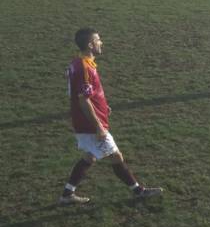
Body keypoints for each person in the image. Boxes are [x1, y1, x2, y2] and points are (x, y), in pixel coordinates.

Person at [59, 29, 163, 205]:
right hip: (90, 123)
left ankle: (67, 194)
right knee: (115, 156)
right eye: (98, 40)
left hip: (84, 120)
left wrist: (102, 106)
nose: (101, 43)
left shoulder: (78, 62)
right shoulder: (84, 67)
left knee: (90, 156)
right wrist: (98, 126)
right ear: (90, 45)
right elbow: (83, 100)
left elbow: (79, 90)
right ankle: (138, 191)